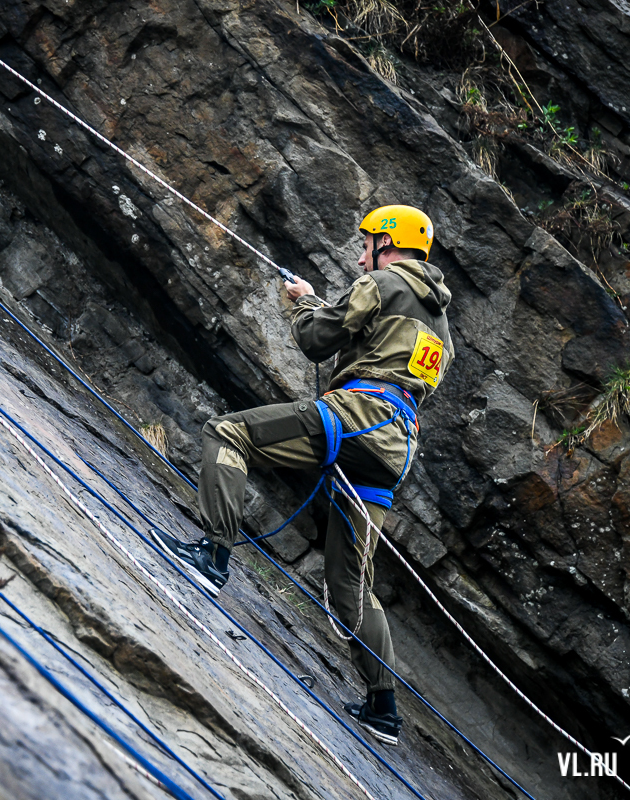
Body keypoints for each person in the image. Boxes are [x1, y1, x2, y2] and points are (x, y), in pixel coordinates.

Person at [155, 205, 453, 745]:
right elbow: (395, 364)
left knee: (228, 434)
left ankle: (213, 555)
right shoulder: (439, 324)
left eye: (366, 244)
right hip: (394, 449)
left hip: (358, 417)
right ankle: (383, 708)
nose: (359, 255)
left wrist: (301, 305)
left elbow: (319, 340)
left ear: (388, 244)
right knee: (348, 584)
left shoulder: (383, 282)